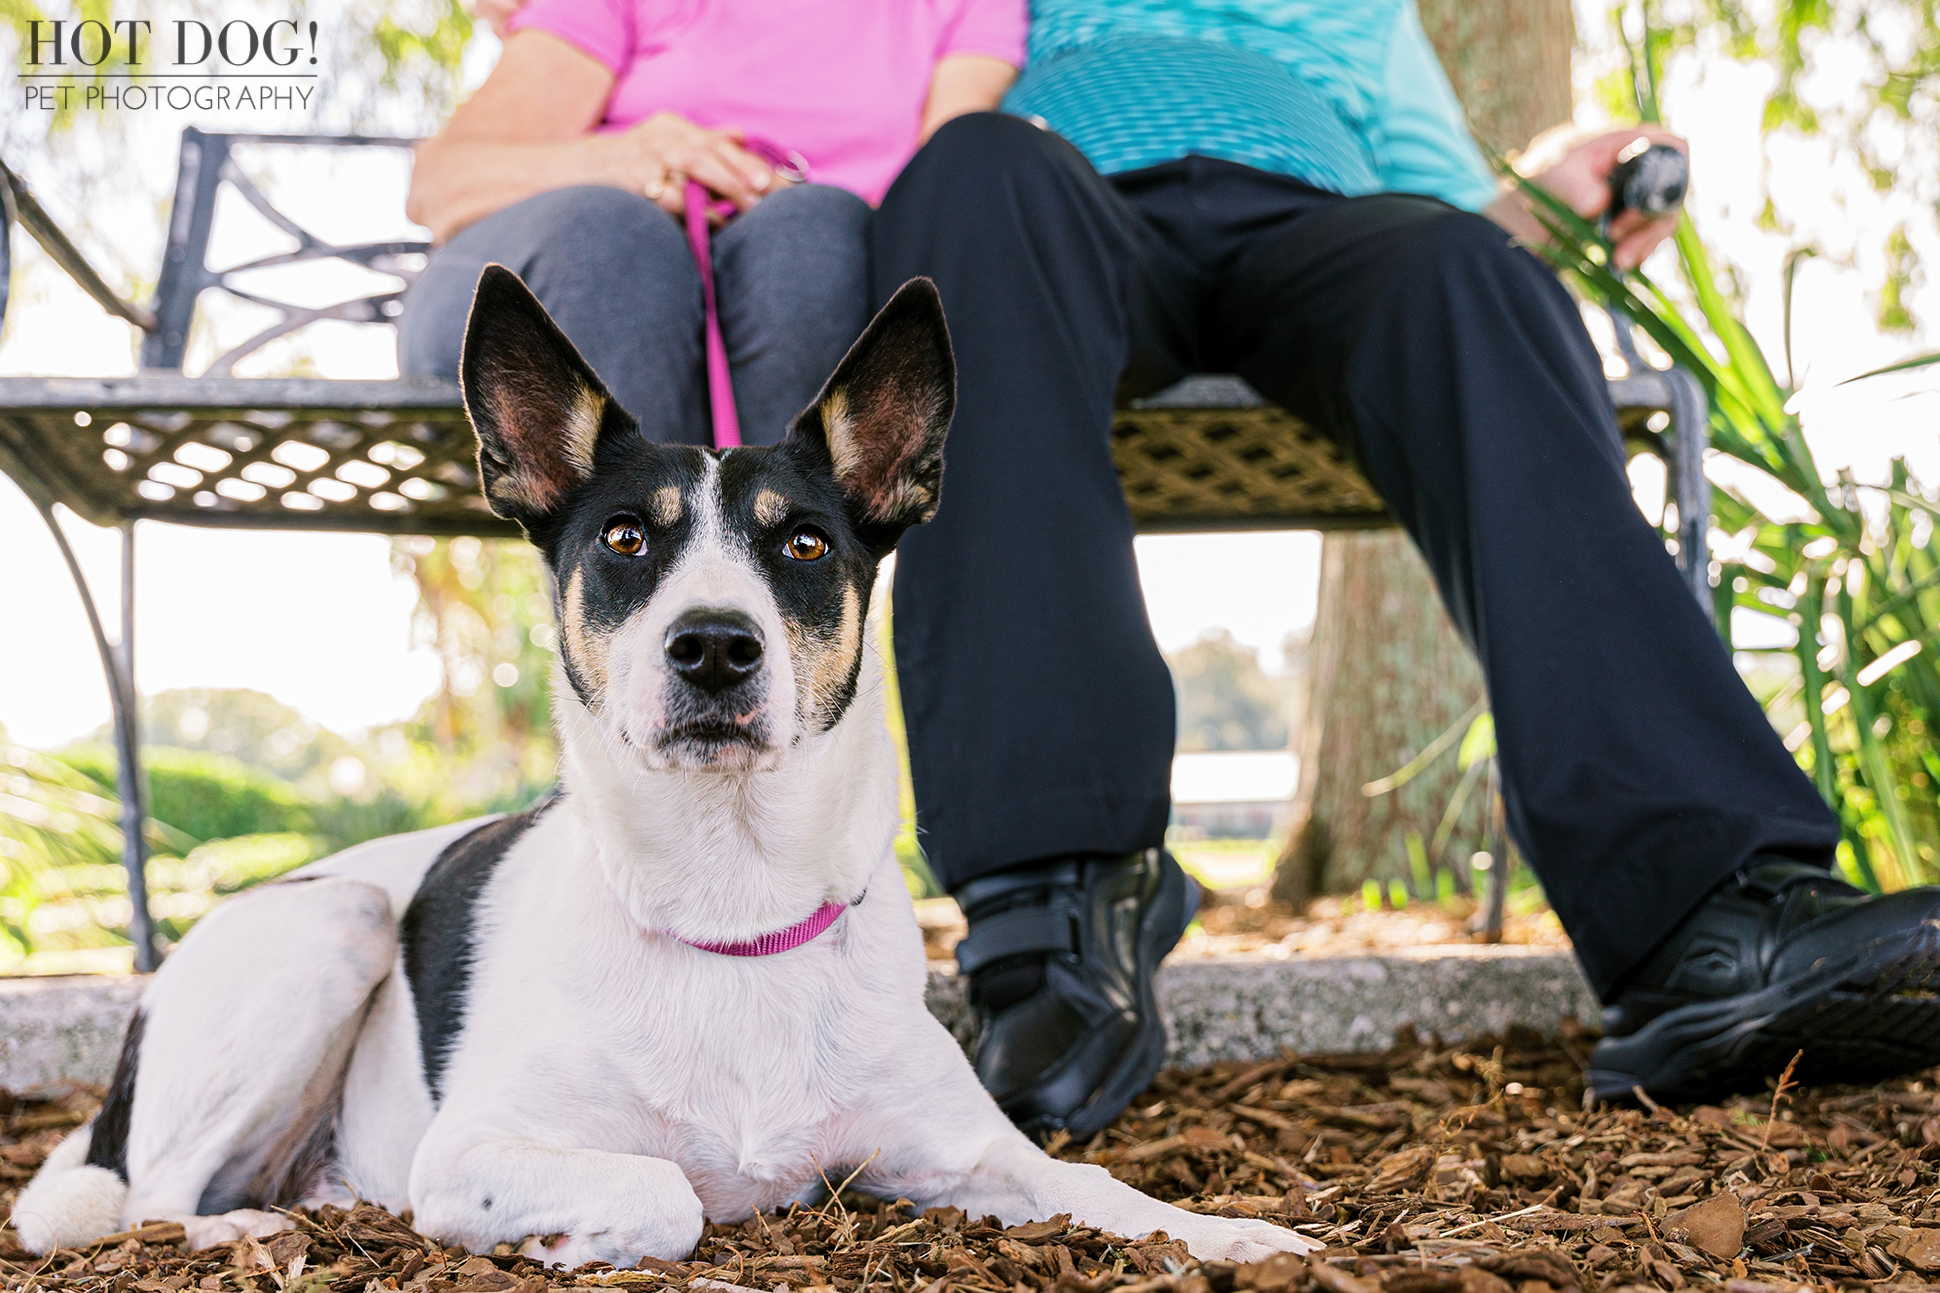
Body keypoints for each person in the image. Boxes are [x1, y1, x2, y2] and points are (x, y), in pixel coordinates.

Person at [872, 0, 1940, 1134]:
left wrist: (1552, 182)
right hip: (1058, 221)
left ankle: (1698, 910)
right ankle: (1052, 914)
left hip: (1313, 234)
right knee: (972, 167)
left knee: (1468, 266)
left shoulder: (1358, 13)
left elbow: (1459, 207)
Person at [397, 0, 1024, 447]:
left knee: (812, 234)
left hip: (805, 302)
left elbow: (944, 195)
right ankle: (641, 591)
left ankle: (781, 586)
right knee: (618, 236)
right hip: (558, 285)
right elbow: (442, 183)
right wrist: (625, 159)